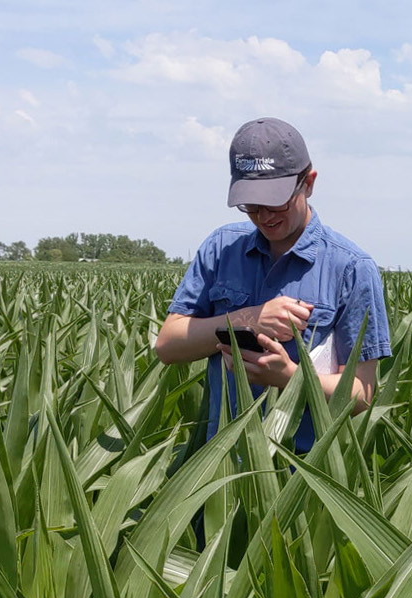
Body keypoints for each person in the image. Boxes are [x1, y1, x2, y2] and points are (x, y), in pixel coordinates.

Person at [153, 117, 391, 455]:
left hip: (304, 470)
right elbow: (168, 346)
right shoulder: (222, 249)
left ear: (308, 183)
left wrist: (291, 378)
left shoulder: (352, 268)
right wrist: (249, 319)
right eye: (251, 205)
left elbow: (362, 394)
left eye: (277, 201)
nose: (264, 216)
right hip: (222, 463)